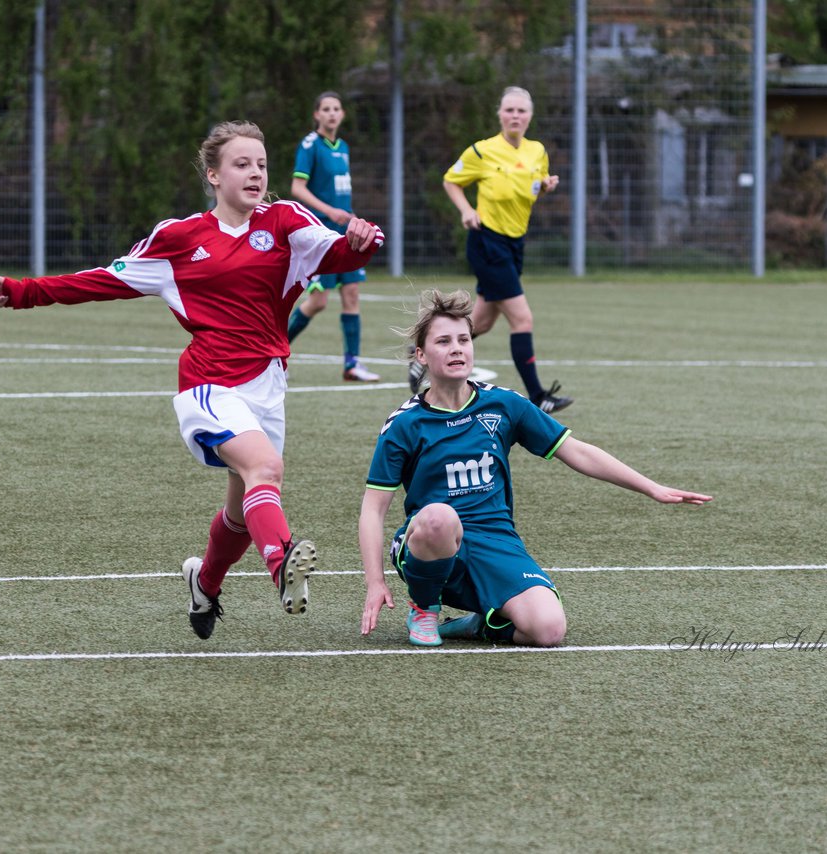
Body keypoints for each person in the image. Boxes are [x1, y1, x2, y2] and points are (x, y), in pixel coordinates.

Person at [0, 121, 384, 640]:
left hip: (267, 385)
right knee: (266, 467)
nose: (255, 173)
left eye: (261, 164)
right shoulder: (179, 238)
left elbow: (338, 252)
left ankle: (205, 582)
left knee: (242, 509)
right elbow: (105, 279)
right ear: (213, 175)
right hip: (208, 384)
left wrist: (362, 239)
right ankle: (282, 564)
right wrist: (24, 290)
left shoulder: (284, 222)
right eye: (241, 164)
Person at [361, 289, 711, 648]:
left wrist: (651, 487)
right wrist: (375, 582)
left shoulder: (503, 404)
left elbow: (576, 451)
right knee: (439, 517)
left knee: (548, 630)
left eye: (464, 339)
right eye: (444, 341)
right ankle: (424, 608)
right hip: (429, 544)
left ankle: (477, 625)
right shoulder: (405, 424)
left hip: (495, 541)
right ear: (420, 354)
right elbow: (373, 510)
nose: (457, 348)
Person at [411, 86, 571, 415]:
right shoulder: (483, 151)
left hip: (515, 244)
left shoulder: (537, 151)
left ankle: (421, 360)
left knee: (480, 322)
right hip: (487, 242)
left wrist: (546, 185)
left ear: (530, 116)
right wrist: (466, 211)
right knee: (522, 318)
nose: (515, 116)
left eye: (521, 111)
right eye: (509, 110)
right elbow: (450, 181)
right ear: (499, 114)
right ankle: (538, 395)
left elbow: (533, 185)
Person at [286, 91, 381, 382]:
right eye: (325, 108)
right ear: (317, 114)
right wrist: (331, 211)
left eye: (336, 109)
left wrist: (345, 216)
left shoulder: (343, 147)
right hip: (321, 232)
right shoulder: (310, 145)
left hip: (346, 231)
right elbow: (297, 189)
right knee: (318, 302)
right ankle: (274, 354)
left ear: (342, 115)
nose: (331, 113)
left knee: (351, 294)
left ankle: (352, 364)